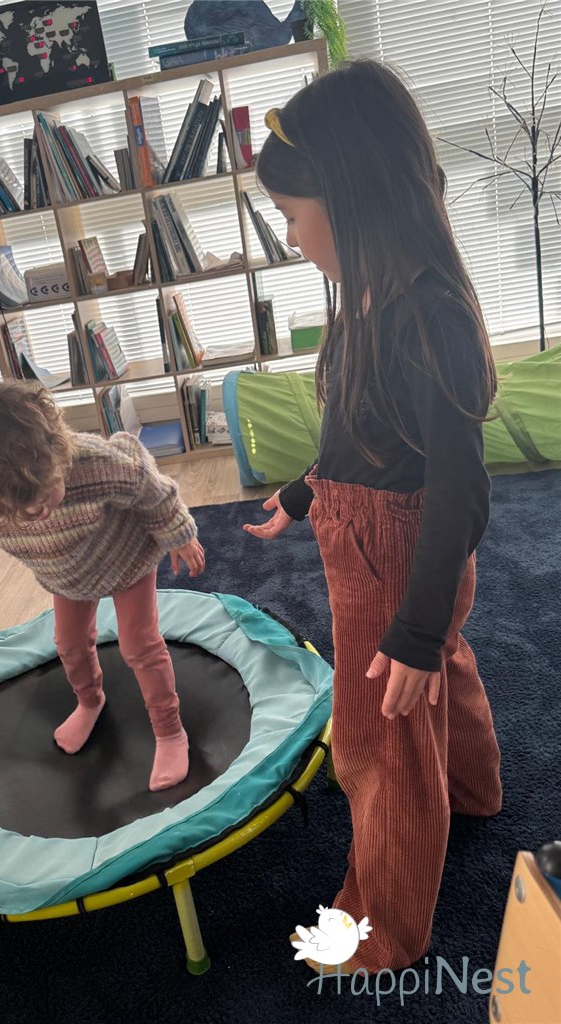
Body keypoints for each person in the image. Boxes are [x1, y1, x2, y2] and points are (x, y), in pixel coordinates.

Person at [244, 59, 502, 973]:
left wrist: (416, 628)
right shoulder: (372, 300)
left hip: (397, 560)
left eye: (292, 214)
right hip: (372, 540)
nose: (289, 236)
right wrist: (304, 492)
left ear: (353, 200)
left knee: (375, 737)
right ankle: (471, 787)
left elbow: (460, 490)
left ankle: (380, 931)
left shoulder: (428, 318)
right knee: (438, 676)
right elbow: (364, 435)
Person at [0, 380, 205, 792]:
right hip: (67, 574)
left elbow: (150, 489)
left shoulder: (95, 462)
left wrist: (179, 535)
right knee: (69, 643)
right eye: (21, 509)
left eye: (46, 496)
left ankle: (169, 731)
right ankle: (90, 701)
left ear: (57, 453)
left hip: (127, 556)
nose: (37, 511)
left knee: (140, 645)